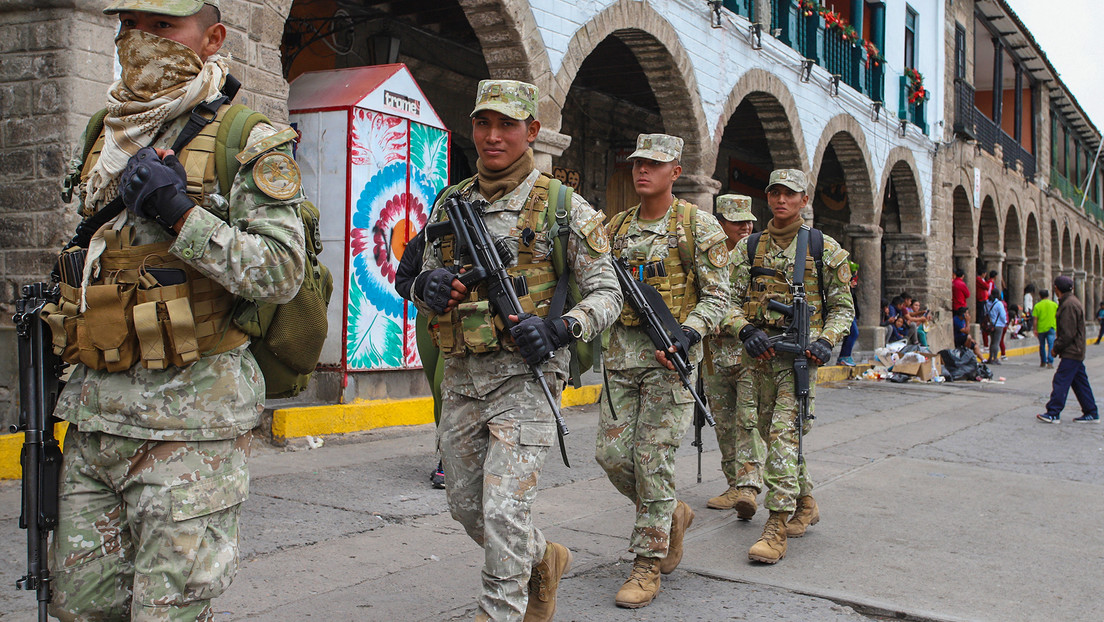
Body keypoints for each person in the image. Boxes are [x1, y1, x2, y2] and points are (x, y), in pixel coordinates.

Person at [47, 2, 308, 619]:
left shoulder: (249, 138)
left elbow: (281, 271)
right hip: (95, 418)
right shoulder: (106, 133)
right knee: (82, 609)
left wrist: (181, 214)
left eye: (162, 26)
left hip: (191, 428)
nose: (139, 39)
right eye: (129, 25)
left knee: (170, 612)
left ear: (212, 38)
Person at [412, 79, 622, 621]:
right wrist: (428, 287)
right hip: (462, 375)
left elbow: (609, 292)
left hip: (528, 381)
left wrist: (561, 329)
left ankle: (499, 610)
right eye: (484, 123)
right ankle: (543, 558)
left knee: (505, 511)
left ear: (532, 131)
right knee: (466, 507)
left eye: (507, 124)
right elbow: (416, 272)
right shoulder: (450, 201)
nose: (493, 135)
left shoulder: (562, 207)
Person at [596, 133, 731, 608]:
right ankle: (671, 512)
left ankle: (647, 563)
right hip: (620, 356)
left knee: (654, 460)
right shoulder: (615, 228)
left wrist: (689, 333)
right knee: (612, 456)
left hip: (669, 358)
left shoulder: (698, 227)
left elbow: (720, 296)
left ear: (676, 172)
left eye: (654, 164)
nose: (642, 171)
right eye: (637, 163)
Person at [724, 168, 855, 564]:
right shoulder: (747, 248)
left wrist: (825, 341)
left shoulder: (823, 248)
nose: (782, 200)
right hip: (756, 359)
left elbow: (842, 307)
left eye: (790, 194)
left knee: (783, 437)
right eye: (775, 193)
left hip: (798, 362)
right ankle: (806, 500)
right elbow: (722, 300)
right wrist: (745, 330)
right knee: (767, 433)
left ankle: (776, 526)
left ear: (803, 200)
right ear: (768, 197)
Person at [702, 195, 757, 513]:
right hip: (714, 355)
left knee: (747, 422)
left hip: (747, 353)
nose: (746, 226)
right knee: (723, 424)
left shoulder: (755, 257)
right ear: (721, 223)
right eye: (738, 221)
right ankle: (734, 484)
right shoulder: (707, 255)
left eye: (749, 220)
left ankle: (749, 486)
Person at [394, 226, 446, 488]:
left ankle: (452, 458)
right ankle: (448, 455)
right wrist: (426, 285)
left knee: (444, 386)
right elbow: (402, 280)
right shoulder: (429, 236)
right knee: (439, 394)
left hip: (470, 323)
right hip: (429, 320)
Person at [1036, 276, 1099, 423]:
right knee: (1080, 382)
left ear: (1056, 288)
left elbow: (1068, 333)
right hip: (1076, 350)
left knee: (1061, 380)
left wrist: (1055, 348)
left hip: (1072, 350)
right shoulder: (1071, 302)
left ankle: (1053, 412)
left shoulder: (1069, 305)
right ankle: (1091, 411)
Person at [836, 263, 860, 366]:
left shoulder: (850, 286)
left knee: (853, 332)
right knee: (853, 332)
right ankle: (844, 356)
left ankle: (845, 356)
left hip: (852, 312)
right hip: (847, 312)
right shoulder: (843, 284)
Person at [1032, 289, 1058, 368]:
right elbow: (1058, 317)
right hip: (1051, 327)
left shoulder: (1037, 306)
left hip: (1041, 328)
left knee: (1042, 345)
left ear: (1040, 296)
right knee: (1051, 345)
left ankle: (1043, 361)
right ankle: (1050, 362)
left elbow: (1035, 319)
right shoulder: (1054, 305)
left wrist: (1035, 329)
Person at [983, 289, 1007, 364]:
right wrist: (1005, 322)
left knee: (992, 342)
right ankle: (995, 358)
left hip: (991, 324)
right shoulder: (999, 303)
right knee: (996, 342)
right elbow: (1003, 315)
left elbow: (985, 313)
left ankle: (990, 357)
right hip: (999, 325)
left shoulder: (987, 303)